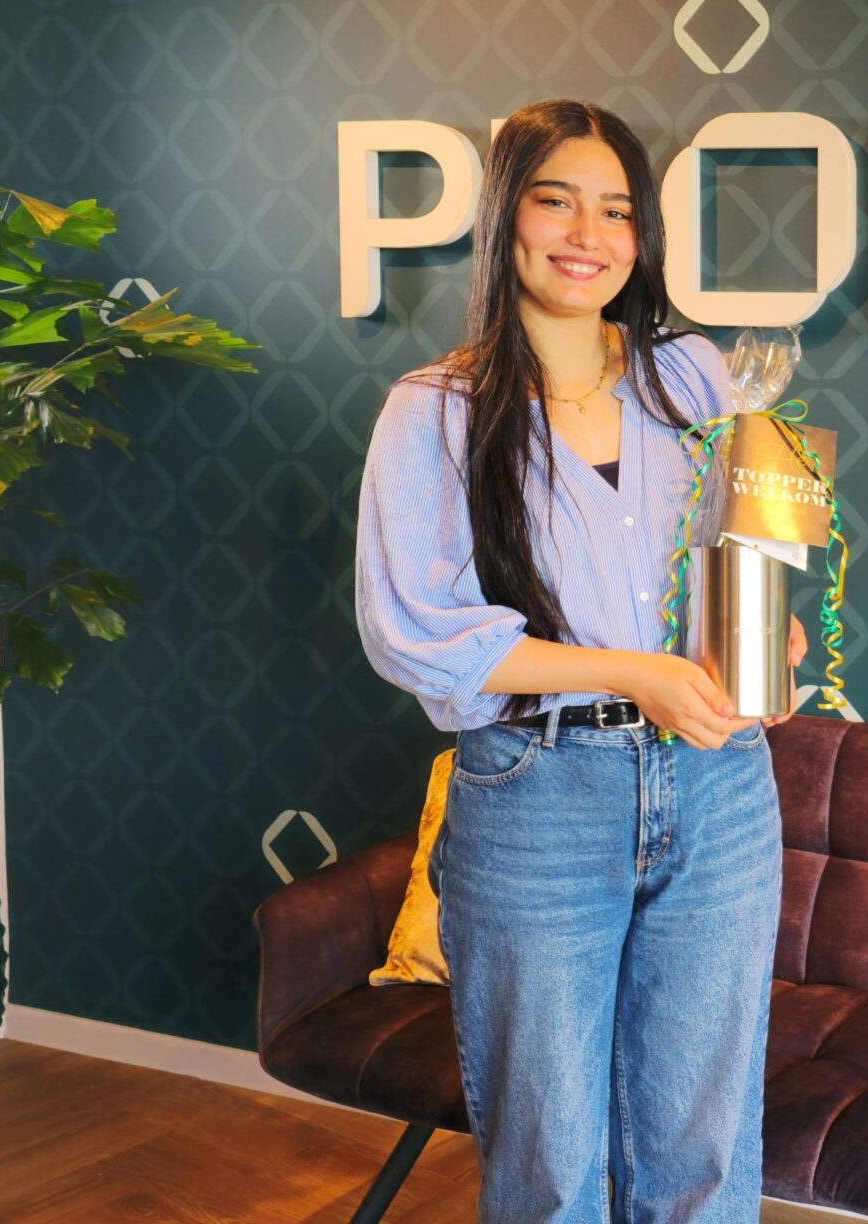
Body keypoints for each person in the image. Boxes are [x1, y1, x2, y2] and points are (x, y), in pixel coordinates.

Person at [353, 97, 804, 1223]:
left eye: (615, 211)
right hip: (538, 797)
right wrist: (632, 672)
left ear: (642, 235)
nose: (586, 235)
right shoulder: (434, 412)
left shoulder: (694, 376)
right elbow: (419, 633)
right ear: (507, 215)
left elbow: (746, 552)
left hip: (720, 790)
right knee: (550, 1157)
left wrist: (775, 635)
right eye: (556, 201)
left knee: (704, 1146)